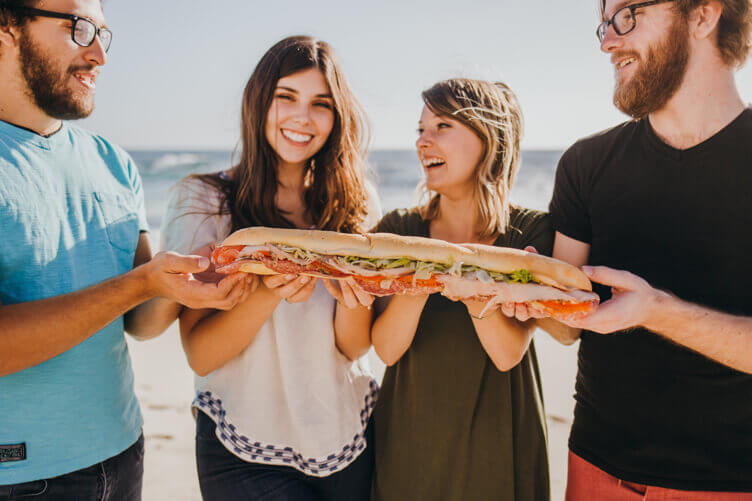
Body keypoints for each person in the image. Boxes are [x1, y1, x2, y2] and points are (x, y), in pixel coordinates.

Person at [0, 0, 253, 498]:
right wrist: (142, 281)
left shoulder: (112, 161)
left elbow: (138, 320)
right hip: (20, 475)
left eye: (102, 33)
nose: (99, 54)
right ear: (6, 28)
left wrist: (191, 281)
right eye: (78, 28)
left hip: (122, 450)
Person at [161, 35, 381, 501]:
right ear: (258, 101)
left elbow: (352, 346)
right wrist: (268, 291)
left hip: (347, 437)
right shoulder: (203, 202)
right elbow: (200, 354)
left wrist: (353, 298)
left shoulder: (354, 207)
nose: (302, 117)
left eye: (321, 104)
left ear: (337, 118)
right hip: (242, 448)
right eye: (286, 97)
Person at [546, 0, 752, 498]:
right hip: (593, 469)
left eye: (628, 14)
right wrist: (506, 291)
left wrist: (657, 311)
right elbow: (561, 325)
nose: (607, 41)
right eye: (604, 23)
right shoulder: (584, 163)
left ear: (703, 15)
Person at [357, 79, 551, 501]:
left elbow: (507, 354)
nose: (423, 142)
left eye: (442, 126)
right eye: (420, 130)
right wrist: (423, 276)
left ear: (489, 140)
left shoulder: (530, 234)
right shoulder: (399, 231)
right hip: (411, 442)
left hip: (499, 444)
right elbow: (386, 350)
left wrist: (472, 288)